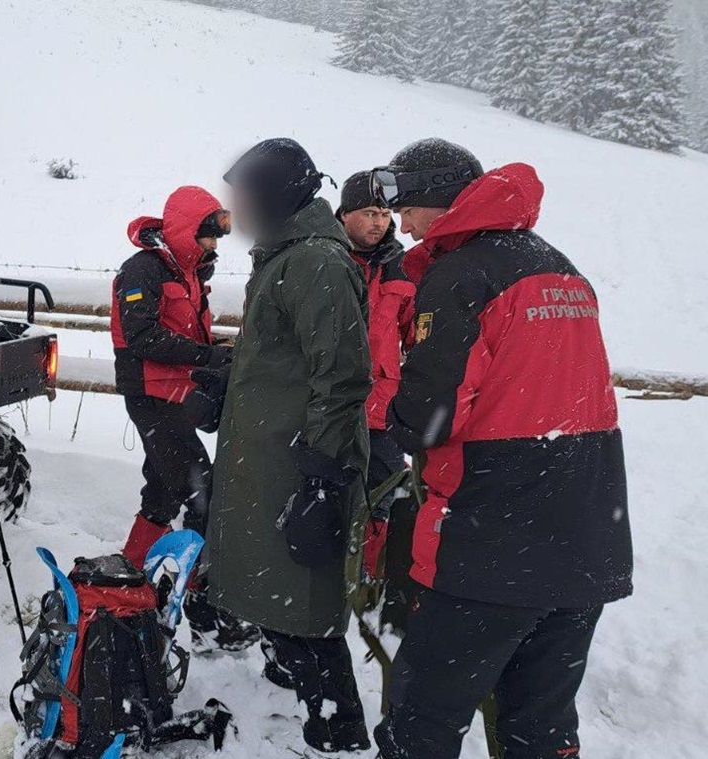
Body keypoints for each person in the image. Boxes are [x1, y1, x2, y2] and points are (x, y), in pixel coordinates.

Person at [370, 138, 633, 758]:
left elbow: (430, 418)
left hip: (492, 539)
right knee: (539, 727)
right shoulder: (559, 267)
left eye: (407, 203)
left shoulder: (462, 274)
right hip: (586, 536)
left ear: (439, 198)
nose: (401, 222)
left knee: (422, 719)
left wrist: (380, 406)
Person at [206, 138, 373, 754]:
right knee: (270, 584)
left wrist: (324, 479)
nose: (237, 207)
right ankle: (290, 690)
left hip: (300, 463)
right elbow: (287, 359)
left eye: (246, 195)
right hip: (272, 455)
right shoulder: (285, 257)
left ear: (275, 195)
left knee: (303, 601)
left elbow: (343, 376)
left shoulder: (316, 263)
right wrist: (226, 380)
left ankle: (337, 728)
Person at [110, 185, 257, 651]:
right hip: (150, 393)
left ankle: (132, 569)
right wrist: (208, 356)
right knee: (201, 492)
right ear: (183, 230)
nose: (214, 245)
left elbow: (188, 332)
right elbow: (142, 338)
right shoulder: (142, 271)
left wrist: (210, 359)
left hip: (175, 390)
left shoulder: (189, 271)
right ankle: (201, 601)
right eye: (207, 236)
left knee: (163, 486)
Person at [336, 171, 419, 634]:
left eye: (386, 214)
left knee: (384, 496)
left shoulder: (402, 268)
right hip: (328, 402)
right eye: (369, 213)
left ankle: (369, 581)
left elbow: (414, 335)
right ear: (344, 214)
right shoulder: (324, 258)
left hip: (383, 405)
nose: (380, 223)